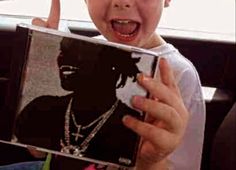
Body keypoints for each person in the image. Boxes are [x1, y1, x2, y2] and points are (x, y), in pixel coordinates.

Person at [32, 0, 205, 170]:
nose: (122, 1)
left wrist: (150, 161)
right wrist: (39, 77)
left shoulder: (177, 76)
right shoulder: (84, 54)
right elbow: (37, 149)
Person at [15, 36, 155, 168]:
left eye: (80, 54)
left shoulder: (133, 127)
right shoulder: (41, 109)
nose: (64, 60)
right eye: (63, 51)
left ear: (111, 66)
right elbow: (36, 152)